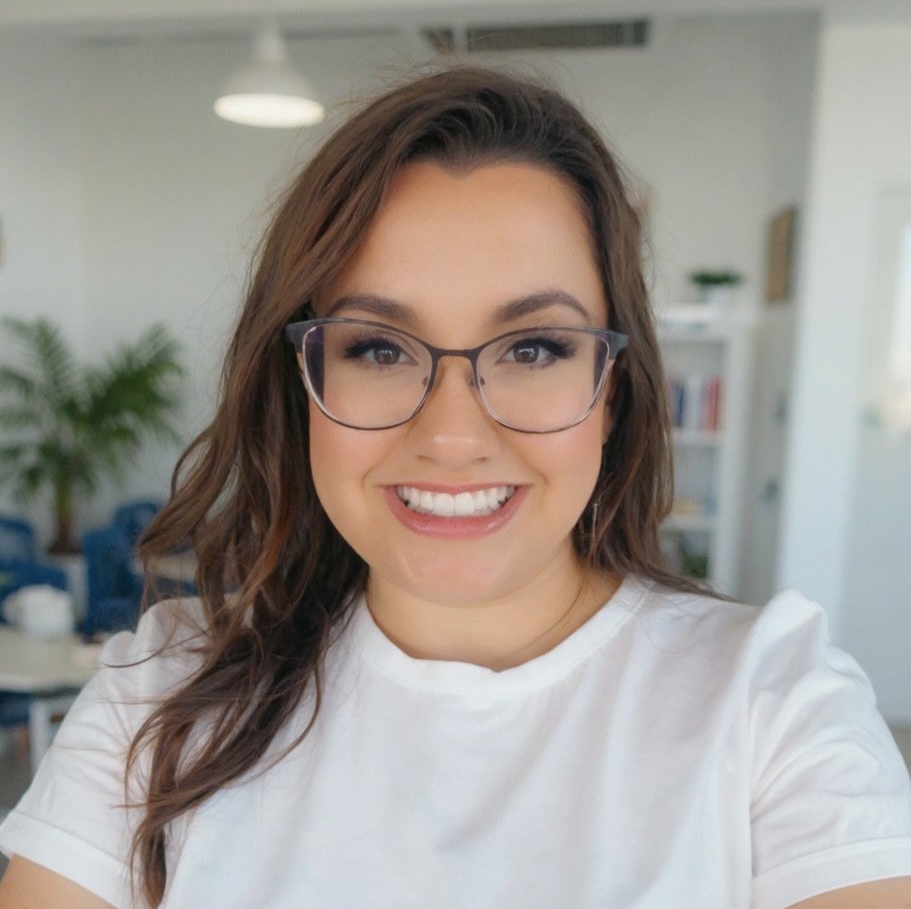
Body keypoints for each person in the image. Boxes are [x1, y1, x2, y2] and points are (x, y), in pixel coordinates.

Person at [1, 66, 910, 909]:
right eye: (378, 348)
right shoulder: (160, 695)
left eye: (532, 348)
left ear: (611, 393)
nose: (450, 435)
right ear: (301, 385)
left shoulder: (770, 704)